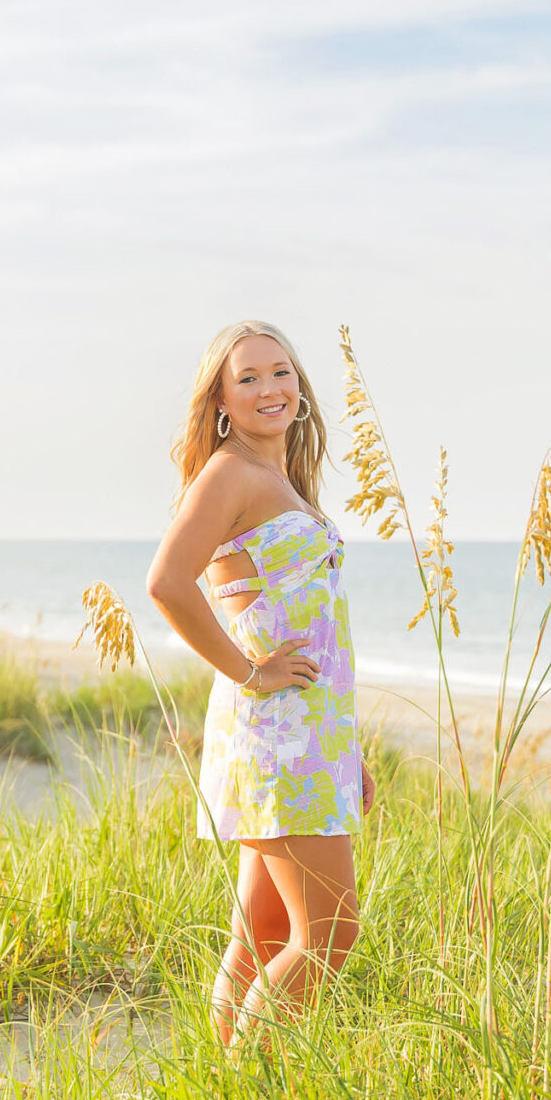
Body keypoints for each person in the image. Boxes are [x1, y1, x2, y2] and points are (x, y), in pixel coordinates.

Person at [147, 321, 373, 1045]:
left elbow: (314, 630)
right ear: (220, 398)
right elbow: (166, 583)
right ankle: (252, 1087)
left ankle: (224, 1089)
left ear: (300, 385)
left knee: (264, 932)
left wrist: (348, 750)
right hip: (280, 730)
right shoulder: (229, 474)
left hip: (308, 731)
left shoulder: (276, 480)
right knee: (331, 932)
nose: (270, 388)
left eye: (281, 372)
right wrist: (250, 672)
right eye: (247, 378)